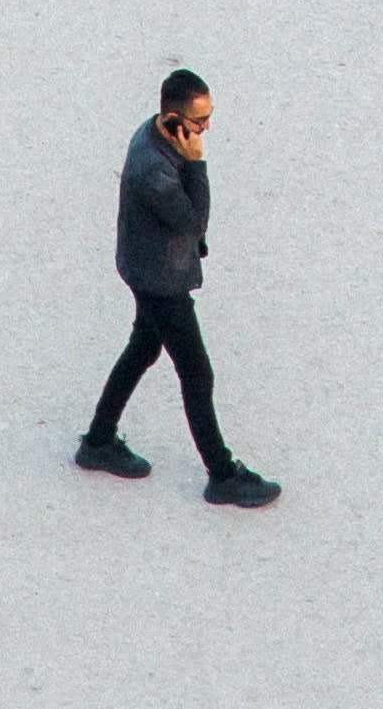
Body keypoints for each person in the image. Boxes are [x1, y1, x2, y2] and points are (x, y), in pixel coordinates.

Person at [77, 70, 277, 505]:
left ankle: (98, 440)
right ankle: (222, 474)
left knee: (143, 348)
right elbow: (192, 222)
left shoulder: (153, 134)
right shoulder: (157, 172)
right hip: (159, 280)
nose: (206, 129)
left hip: (145, 267)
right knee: (196, 373)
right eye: (200, 121)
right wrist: (196, 163)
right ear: (173, 118)